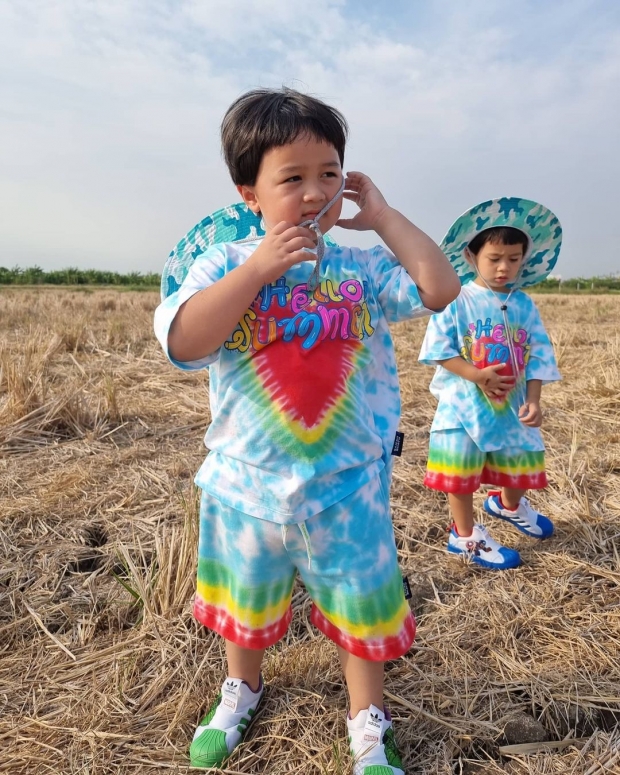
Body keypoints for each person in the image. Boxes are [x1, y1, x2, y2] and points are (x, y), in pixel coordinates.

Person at [154, 87, 460, 773]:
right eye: (292, 178)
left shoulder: (360, 270)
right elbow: (183, 340)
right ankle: (240, 691)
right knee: (245, 600)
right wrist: (260, 266)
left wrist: (382, 217)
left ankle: (367, 723)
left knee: (362, 608)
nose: (316, 191)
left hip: (348, 487)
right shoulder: (224, 266)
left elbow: (439, 288)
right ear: (250, 194)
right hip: (244, 486)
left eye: (330, 173)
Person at [418, 198, 562, 570]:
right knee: (461, 474)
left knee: (521, 461)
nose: (504, 268)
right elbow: (439, 350)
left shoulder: (524, 305)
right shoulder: (456, 298)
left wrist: (533, 399)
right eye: (494, 258)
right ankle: (464, 535)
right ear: (471, 256)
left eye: (513, 259)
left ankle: (507, 504)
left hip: (512, 405)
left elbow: (538, 355)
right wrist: (476, 375)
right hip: (463, 405)